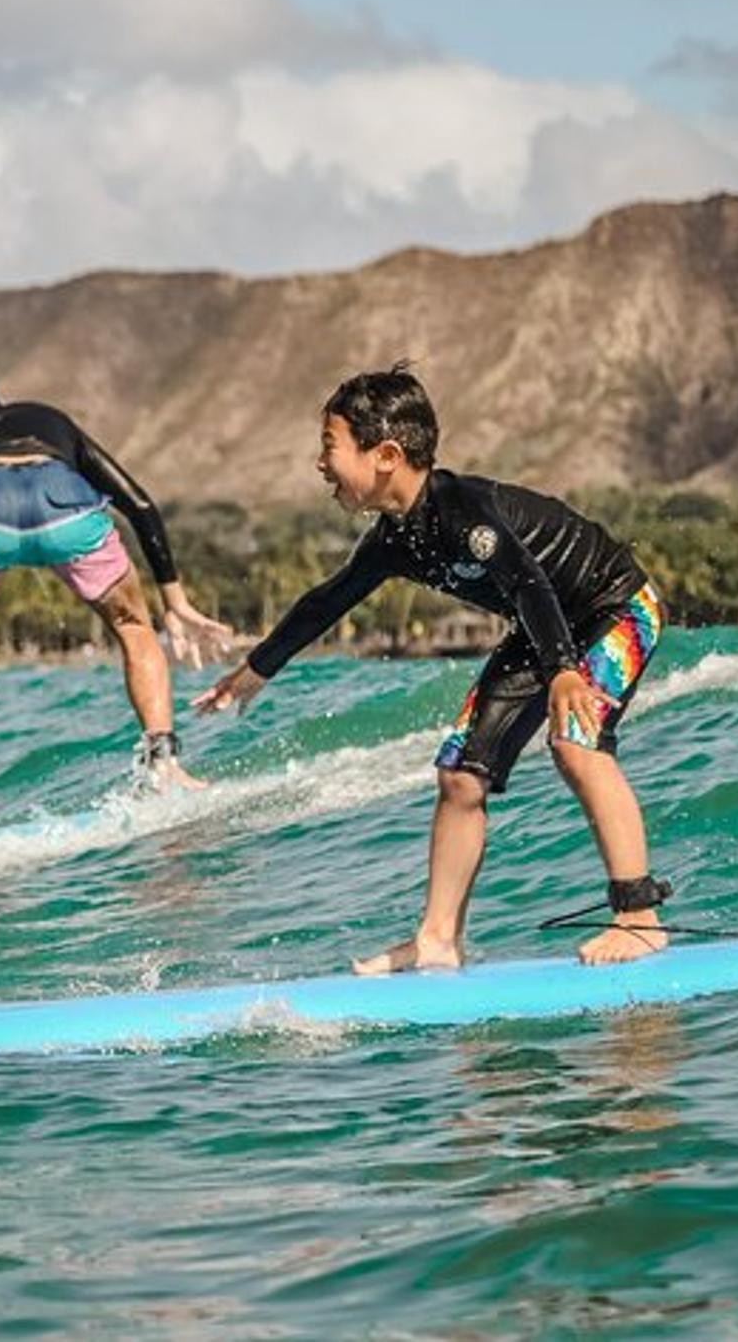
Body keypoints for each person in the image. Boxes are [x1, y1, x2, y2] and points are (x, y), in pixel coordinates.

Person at [192, 363, 670, 969]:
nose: (320, 463)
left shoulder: (466, 514)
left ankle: (639, 918)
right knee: (460, 775)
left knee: (576, 744)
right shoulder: (396, 537)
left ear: (385, 454)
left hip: (614, 607)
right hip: (547, 632)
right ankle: (437, 940)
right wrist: (255, 671)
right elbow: (327, 600)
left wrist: (564, 673)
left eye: (330, 446)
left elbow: (528, 583)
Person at [0, 365, 232, 847]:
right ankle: (164, 765)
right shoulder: (49, 419)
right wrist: (176, 601)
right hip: (63, 503)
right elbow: (140, 505)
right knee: (133, 627)